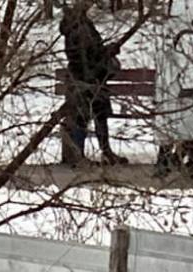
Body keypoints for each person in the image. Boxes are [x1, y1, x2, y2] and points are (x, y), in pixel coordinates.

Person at [61, 1, 123, 167]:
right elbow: (87, 56)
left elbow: (90, 52)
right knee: (83, 117)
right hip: (87, 79)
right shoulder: (79, 28)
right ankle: (79, 155)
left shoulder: (81, 24)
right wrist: (107, 52)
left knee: (99, 115)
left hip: (90, 78)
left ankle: (105, 151)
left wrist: (106, 51)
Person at [153, 0, 193, 179]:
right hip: (182, 91)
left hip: (166, 88)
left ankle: (164, 163)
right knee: (189, 129)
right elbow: (190, 64)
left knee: (168, 130)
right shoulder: (187, 35)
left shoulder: (166, 31)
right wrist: (189, 86)